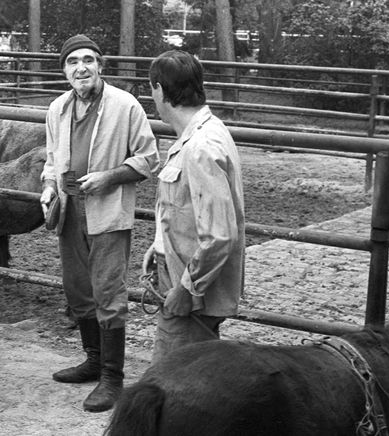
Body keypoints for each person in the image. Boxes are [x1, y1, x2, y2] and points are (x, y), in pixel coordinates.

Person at [39, 34, 160, 412]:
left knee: (108, 291)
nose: (81, 67)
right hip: (69, 210)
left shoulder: (125, 106)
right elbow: (50, 159)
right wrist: (47, 185)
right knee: (78, 289)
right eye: (72, 61)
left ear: (100, 66)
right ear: (64, 70)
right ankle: (93, 361)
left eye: (88, 60)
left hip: (107, 212)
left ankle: (112, 378)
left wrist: (109, 177)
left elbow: (149, 157)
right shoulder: (57, 109)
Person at [143, 49, 245, 364]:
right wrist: (159, 245)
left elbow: (219, 235)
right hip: (180, 275)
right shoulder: (201, 135)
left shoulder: (201, 147)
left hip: (190, 294)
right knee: (198, 375)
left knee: (171, 384)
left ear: (159, 89)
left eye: (152, 88)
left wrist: (187, 289)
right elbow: (188, 211)